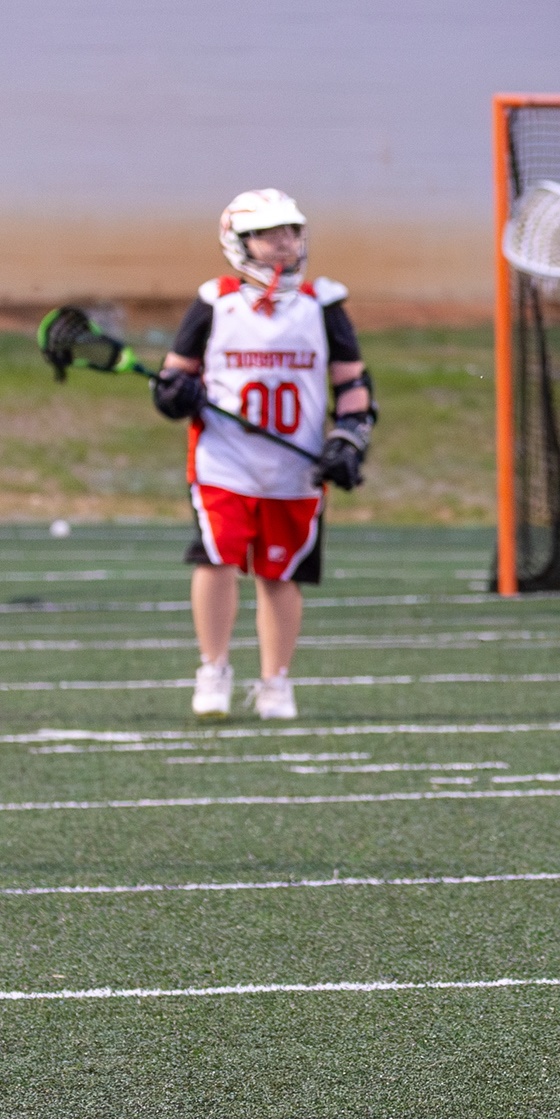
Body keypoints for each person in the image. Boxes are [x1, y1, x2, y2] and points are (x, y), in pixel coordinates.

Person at [158, 190, 374, 721]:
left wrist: (349, 437)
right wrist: (177, 394)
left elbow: (353, 384)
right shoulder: (216, 302)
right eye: (269, 234)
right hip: (224, 459)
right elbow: (173, 378)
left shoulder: (322, 305)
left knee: (282, 572)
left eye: (291, 231)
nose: (284, 242)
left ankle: (276, 681)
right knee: (217, 557)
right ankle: (213, 669)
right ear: (240, 242)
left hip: (296, 466)